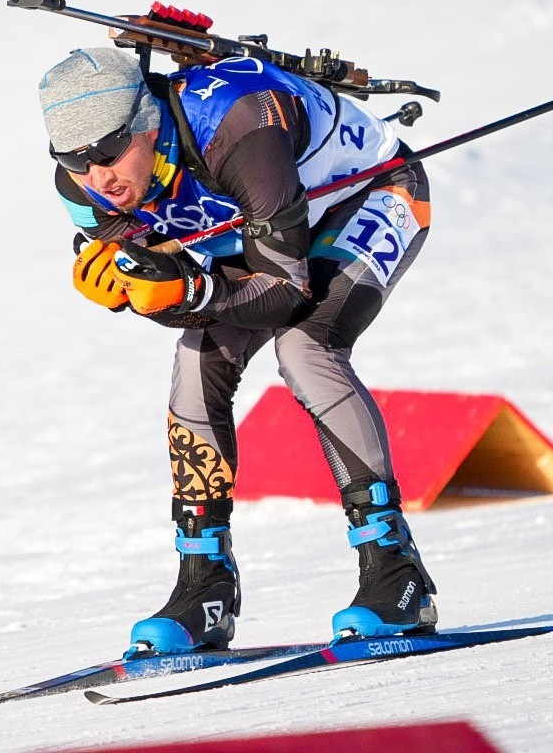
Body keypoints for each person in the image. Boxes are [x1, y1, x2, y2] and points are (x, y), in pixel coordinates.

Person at [37, 43, 437, 654]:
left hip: (367, 195)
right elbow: (167, 286)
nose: (98, 179)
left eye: (110, 154)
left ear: (147, 123)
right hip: (257, 230)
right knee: (197, 363)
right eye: (74, 162)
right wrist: (135, 290)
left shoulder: (239, 124)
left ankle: (396, 571)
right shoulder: (84, 190)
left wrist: (188, 289)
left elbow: (282, 291)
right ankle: (205, 589)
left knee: (306, 348)